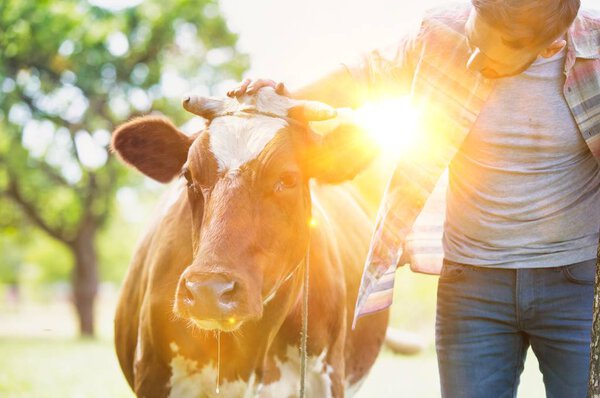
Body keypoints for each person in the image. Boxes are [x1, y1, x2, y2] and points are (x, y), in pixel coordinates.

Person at [228, 0, 600, 396]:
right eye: (474, 35)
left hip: (576, 285)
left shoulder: (592, 50)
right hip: (473, 285)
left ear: (549, 48)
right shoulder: (440, 33)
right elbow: (367, 73)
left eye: (492, 53)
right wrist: (283, 97)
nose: (473, 55)